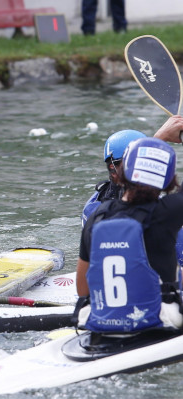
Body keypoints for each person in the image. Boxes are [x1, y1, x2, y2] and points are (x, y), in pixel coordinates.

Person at [75, 136, 183, 334]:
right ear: (168, 180)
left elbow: (82, 290)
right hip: (161, 318)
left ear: (121, 172)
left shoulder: (96, 215)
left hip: (99, 320)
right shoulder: (167, 212)